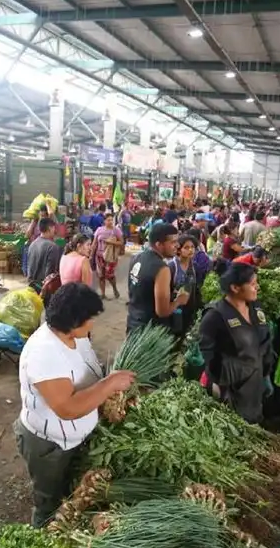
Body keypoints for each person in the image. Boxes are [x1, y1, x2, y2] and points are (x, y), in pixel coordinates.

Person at [15, 283, 136, 527]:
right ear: (73, 321)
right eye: (89, 318)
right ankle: (43, 538)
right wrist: (109, 384)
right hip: (50, 445)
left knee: (69, 490)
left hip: (74, 438)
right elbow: (67, 408)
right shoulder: (44, 352)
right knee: (49, 502)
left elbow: (85, 375)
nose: (93, 323)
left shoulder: (75, 336)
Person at [198, 263, 274, 424]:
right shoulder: (215, 317)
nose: (257, 288)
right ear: (235, 287)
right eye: (252, 284)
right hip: (229, 389)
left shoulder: (256, 308)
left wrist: (266, 373)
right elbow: (209, 355)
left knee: (253, 425)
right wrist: (219, 384)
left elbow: (265, 341)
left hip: (254, 386)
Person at [126, 223, 189, 333]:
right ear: (159, 244)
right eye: (173, 242)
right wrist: (179, 301)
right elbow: (162, 311)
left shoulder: (137, 257)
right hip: (150, 331)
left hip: (133, 324)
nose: (178, 245)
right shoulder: (162, 269)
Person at [167, 235, 200, 335]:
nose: (190, 250)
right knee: (175, 333)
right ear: (179, 250)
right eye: (186, 247)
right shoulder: (172, 267)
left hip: (189, 308)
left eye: (192, 247)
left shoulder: (195, 267)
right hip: (174, 309)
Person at [93, 213, 125, 299]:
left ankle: (115, 289)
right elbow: (94, 243)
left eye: (112, 220)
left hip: (110, 256)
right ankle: (103, 294)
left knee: (109, 275)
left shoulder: (116, 230)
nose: (110, 222)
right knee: (100, 276)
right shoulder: (99, 230)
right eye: (108, 220)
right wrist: (91, 255)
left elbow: (121, 242)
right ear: (104, 221)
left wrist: (111, 242)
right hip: (99, 256)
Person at [25, 218, 62, 290]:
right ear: (50, 228)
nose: (54, 230)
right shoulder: (52, 247)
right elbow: (50, 274)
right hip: (43, 289)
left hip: (31, 287)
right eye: (54, 228)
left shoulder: (33, 244)